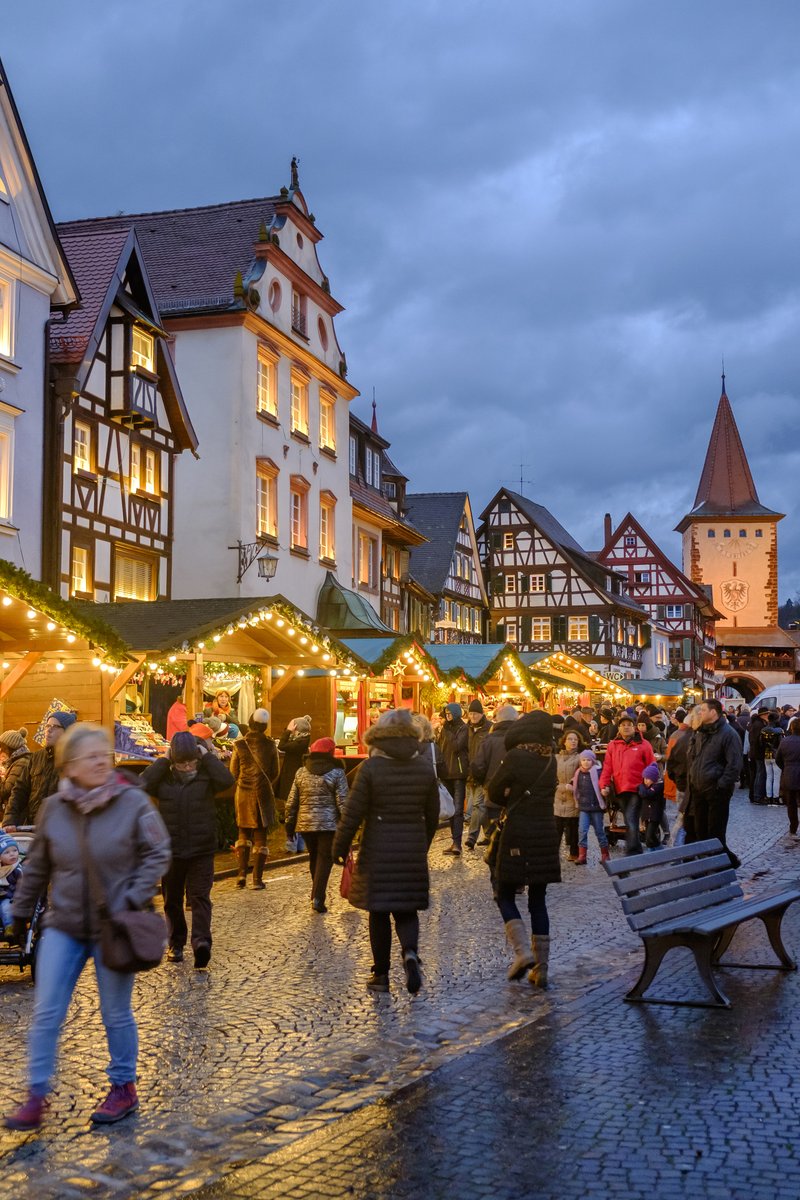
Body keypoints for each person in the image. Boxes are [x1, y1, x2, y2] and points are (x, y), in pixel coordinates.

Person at [4, 722, 171, 1132]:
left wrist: (132, 895)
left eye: (105, 754)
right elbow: (39, 864)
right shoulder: (54, 809)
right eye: (91, 756)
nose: (101, 762)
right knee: (46, 1011)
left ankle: (123, 1087)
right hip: (63, 923)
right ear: (69, 766)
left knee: (115, 1013)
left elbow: (158, 851)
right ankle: (36, 1094)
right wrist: (22, 913)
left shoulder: (132, 803)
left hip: (113, 924)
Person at [332, 708, 439, 994]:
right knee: (406, 910)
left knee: (378, 912)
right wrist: (422, 845)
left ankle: (380, 975)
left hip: (377, 849)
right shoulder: (424, 768)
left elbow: (352, 813)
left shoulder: (371, 768)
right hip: (412, 850)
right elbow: (432, 815)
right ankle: (410, 953)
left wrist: (339, 847)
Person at [141, 730, 234, 967]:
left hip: (201, 849)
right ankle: (176, 943)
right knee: (172, 899)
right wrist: (162, 759)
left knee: (200, 896)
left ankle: (202, 942)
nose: (187, 767)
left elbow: (227, 780)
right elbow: (142, 784)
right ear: (173, 761)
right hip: (171, 849)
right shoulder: (163, 777)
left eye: (191, 761)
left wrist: (208, 756)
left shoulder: (206, 775)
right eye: (181, 763)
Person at [486, 711, 560, 988]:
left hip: (518, 833)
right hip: (546, 834)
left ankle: (522, 953)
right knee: (538, 901)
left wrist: (508, 793)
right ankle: (541, 969)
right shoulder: (550, 760)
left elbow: (494, 792)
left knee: (503, 892)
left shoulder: (516, 757)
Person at [285, 737, 348, 912]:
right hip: (328, 824)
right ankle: (318, 897)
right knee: (324, 859)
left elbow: (291, 802)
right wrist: (347, 826)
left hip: (305, 824)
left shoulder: (301, 772)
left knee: (314, 857)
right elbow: (343, 802)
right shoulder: (337, 773)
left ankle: (316, 894)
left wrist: (289, 826)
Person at [685, 698, 743, 867]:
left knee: (716, 833)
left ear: (713, 712)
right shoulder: (700, 732)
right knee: (700, 832)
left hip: (716, 791)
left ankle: (719, 868)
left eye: (702, 710)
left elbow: (735, 764)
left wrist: (721, 785)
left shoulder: (728, 734)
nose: (699, 713)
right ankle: (718, 864)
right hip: (698, 789)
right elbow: (694, 758)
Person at [231, 710, 280, 889]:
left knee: (243, 833)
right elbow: (275, 772)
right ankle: (257, 880)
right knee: (261, 836)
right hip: (263, 794)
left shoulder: (239, 744)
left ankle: (241, 875)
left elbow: (233, 772)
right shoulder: (270, 745)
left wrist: (244, 783)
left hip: (243, 794)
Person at [4, 711, 76, 831]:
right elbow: (19, 790)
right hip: (32, 828)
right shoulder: (36, 758)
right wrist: (9, 820)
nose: (49, 730)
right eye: (47, 726)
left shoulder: (74, 760)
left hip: (61, 831)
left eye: (55, 726)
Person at [599, 714, 655, 854]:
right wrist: (603, 784)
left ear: (634, 727)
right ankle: (635, 846)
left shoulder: (644, 744)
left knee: (630, 817)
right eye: (623, 725)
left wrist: (649, 779)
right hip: (619, 788)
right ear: (619, 728)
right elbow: (607, 767)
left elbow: (652, 764)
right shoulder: (613, 745)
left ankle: (633, 849)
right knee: (630, 818)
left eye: (629, 725)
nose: (626, 727)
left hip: (637, 788)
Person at [471, 705, 519, 843]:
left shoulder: (489, 739)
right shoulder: (521, 740)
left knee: (495, 834)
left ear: (498, 719)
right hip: (516, 793)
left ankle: (495, 861)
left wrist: (484, 783)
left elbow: (477, 766)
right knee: (513, 834)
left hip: (493, 792)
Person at [437, 703, 469, 856]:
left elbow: (457, 746)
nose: (447, 716)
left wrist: (447, 731)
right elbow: (440, 748)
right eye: (446, 713)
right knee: (450, 810)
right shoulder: (445, 729)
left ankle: (457, 844)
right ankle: (454, 842)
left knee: (457, 810)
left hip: (458, 774)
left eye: (450, 713)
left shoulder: (463, 728)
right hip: (445, 773)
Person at [572, 748, 609, 863]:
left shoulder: (598, 771)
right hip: (583, 807)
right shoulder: (578, 773)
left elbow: (605, 783)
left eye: (588, 759)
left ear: (593, 761)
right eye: (583, 760)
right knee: (582, 830)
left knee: (599, 831)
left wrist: (605, 789)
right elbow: (574, 783)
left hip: (596, 807)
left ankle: (605, 855)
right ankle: (582, 856)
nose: (586, 762)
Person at [464, 700, 492, 851]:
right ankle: (489, 835)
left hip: (484, 773)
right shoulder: (467, 729)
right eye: (471, 713)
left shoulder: (489, 729)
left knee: (477, 805)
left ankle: (471, 837)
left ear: (482, 714)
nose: (473, 716)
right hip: (470, 773)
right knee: (482, 807)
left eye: (476, 713)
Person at [554, 731, 582, 862]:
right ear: (564, 741)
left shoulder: (580, 758)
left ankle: (574, 852)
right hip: (558, 794)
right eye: (570, 739)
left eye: (575, 739)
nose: (573, 741)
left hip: (573, 795)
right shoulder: (556, 757)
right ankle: (553, 853)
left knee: (573, 826)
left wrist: (572, 784)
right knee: (556, 826)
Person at [0, 728, 30, 824]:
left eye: (3, 747)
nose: (1, 750)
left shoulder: (21, 763)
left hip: (17, 817)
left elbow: (6, 791)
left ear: (10, 747)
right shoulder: (19, 761)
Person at [776, 719, 800, 837]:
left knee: (791, 804)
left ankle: (793, 827)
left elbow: (778, 759)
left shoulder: (785, 741)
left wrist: (786, 768)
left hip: (789, 775)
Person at [0, 833, 23, 938]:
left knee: (5, 907)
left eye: (15, 850)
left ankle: (10, 927)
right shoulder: (1, 870)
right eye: (7, 852)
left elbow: (23, 886)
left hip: (11, 898)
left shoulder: (17, 870)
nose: (12, 854)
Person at [639, 763, 666, 849]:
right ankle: (655, 850)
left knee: (649, 837)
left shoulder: (658, 786)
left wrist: (641, 786)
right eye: (644, 778)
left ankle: (659, 850)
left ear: (654, 779)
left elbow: (646, 794)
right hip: (647, 816)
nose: (645, 781)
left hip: (654, 816)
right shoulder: (646, 786)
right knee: (649, 837)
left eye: (648, 779)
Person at [761, 711, 785, 803]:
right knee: (776, 777)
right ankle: (775, 797)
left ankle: (768, 796)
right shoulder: (779, 730)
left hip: (767, 754)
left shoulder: (763, 730)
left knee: (769, 776)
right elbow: (781, 744)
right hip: (777, 755)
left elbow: (761, 743)